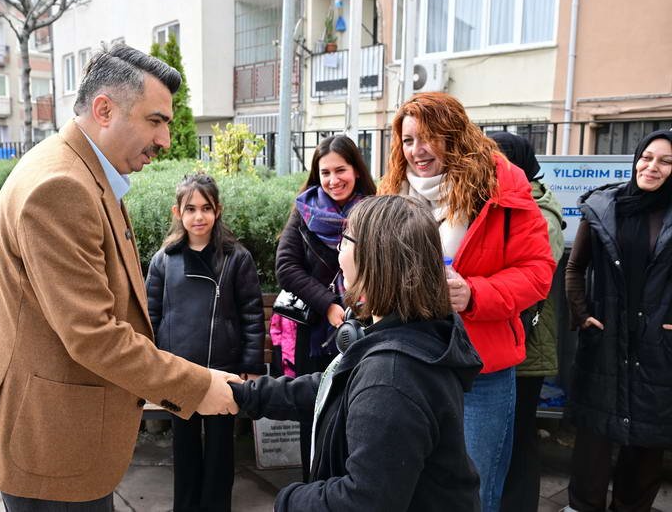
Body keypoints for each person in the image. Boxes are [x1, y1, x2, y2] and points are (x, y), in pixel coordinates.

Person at [0, 44, 238, 510]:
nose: (166, 138)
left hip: (56, 433)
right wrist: (199, 387)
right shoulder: (61, 186)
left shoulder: (80, 168)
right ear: (104, 109)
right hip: (50, 445)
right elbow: (93, 335)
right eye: (155, 120)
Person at [232, 195, 483, 511]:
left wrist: (289, 500)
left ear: (373, 259)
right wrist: (245, 394)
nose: (337, 252)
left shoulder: (391, 379)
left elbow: (363, 501)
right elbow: (333, 387)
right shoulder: (412, 332)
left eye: (344, 241)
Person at [378, 92, 556, 512]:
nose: (417, 151)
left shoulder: (501, 187)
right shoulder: (391, 191)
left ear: (453, 134)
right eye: (407, 140)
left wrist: (473, 293)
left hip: (481, 368)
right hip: (408, 361)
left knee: (474, 491)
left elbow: (537, 271)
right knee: (412, 484)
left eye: (428, 137)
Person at [563, 129, 672, 512]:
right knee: (593, 441)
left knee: (645, 445)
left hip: (657, 345)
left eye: (665, 161)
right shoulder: (603, 207)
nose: (652, 167)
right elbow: (575, 268)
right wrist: (582, 314)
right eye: (647, 157)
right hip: (605, 340)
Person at [145, 172, 265, 512]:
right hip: (178, 372)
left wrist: (251, 368)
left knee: (219, 452)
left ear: (218, 210)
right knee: (184, 450)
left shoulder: (236, 258)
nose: (199, 216)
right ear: (177, 213)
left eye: (206, 208)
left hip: (222, 371)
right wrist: (150, 371)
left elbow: (252, 314)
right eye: (191, 208)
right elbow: (151, 317)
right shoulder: (164, 260)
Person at [274, 134, 377, 480]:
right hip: (315, 332)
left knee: (357, 415)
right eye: (325, 172)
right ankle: (313, 488)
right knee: (314, 416)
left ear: (357, 170)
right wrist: (329, 304)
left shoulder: (374, 211)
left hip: (365, 331)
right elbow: (286, 267)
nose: (333, 180)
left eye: (341, 170)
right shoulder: (305, 211)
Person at [491, 132, 565, 512]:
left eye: (496, 159)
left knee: (518, 439)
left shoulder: (540, 212)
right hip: (500, 340)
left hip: (526, 346)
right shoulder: (502, 201)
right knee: (499, 440)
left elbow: (532, 280)